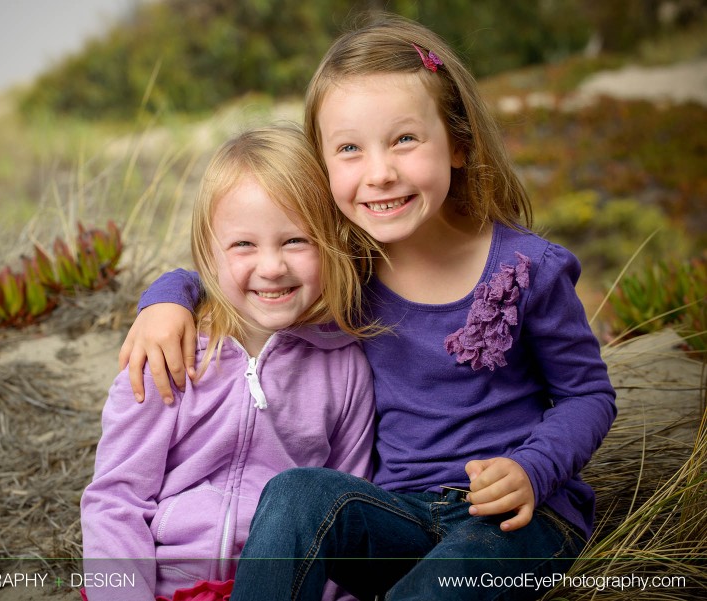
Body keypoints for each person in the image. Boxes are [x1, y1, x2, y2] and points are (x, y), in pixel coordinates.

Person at [117, 13, 617, 601]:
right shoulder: (347, 263)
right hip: (399, 516)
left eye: (405, 139)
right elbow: (253, 273)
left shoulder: (528, 269)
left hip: (518, 524)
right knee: (298, 493)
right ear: (324, 170)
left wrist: (534, 469)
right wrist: (167, 296)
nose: (379, 173)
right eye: (349, 149)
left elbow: (589, 394)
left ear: (458, 143)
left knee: (440, 586)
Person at [80, 125, 377, 601]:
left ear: (332, 242)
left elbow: (343, 507)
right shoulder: (170, 353)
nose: (272, 266)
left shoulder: (344, 367)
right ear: (208, 254)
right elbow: (117, 500)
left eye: (296, 240)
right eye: (244, 245)